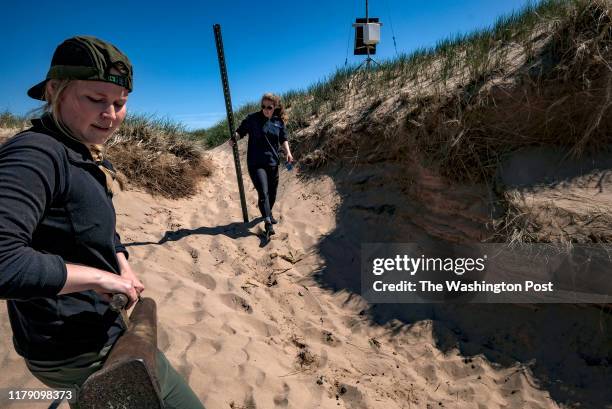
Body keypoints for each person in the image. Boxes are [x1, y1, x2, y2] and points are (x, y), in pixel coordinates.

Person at [0, 36, 205, 409]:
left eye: (120, 103)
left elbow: (97, 229)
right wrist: (100, 278)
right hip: (75, 349)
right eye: (95, 100)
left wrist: (121, 262)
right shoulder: (34, 155)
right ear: (54, 91)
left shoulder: (80, 151)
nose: (110, 114)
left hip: (103, 329)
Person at [231, 93, 294, 237]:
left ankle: (268, 213)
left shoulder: (278, 122)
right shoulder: (253, 119)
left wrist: (288, 153)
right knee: (263, 192)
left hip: (273, 162)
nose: (266, 109)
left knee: (272, 193)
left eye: (269, 107)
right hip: (256, 163)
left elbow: (284, 138)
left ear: (275, 107)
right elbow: (241, 131)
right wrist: (234, 138)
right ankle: (267, 222)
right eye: (263, 106)